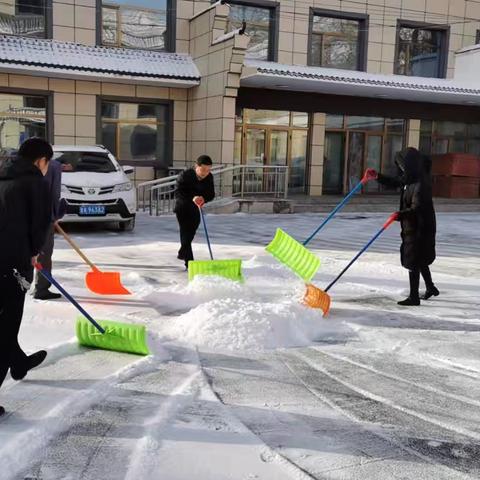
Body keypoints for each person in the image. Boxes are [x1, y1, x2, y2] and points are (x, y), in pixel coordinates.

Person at [0, 138, 53, 416]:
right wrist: (33, 252)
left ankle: (18, 362)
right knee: (6, 327)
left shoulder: (3, 176)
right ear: (41, 160)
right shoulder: (34, 183)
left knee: (4, 322)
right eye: (48, 164)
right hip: (11, 263)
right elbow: (40, 223)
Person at [367, 147, 439, 306]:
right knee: (419, 258)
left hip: (420, 228)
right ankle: (431, 287)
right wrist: (377, 176)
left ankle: (414, 297)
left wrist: (399, 214)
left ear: (410, 165)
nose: (400, 169)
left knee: (413, 259)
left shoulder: (420, 184)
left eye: (402, 166)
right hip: (413, 226)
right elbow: (395, 182)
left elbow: (417, 208)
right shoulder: (411, 179)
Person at [174, 155, 215, 269]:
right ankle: (190, 263)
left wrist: (204, 198)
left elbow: (211, 194)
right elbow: (178, 192)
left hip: (196, 208)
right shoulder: (185, 175)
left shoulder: (209, 177)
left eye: (208, 170)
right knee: (185, 233)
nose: (205, 173)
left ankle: (183, 251)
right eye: (203, 170)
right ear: (196, 166)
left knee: (191, 233)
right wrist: (192, 197)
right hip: (182, 207)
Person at [33, 157, 64, 300]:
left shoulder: (18, 166)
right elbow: (54, 193)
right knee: (44, 252)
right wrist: (54, 214)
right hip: (43, 218)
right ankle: (42, 288)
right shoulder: (53, 166)